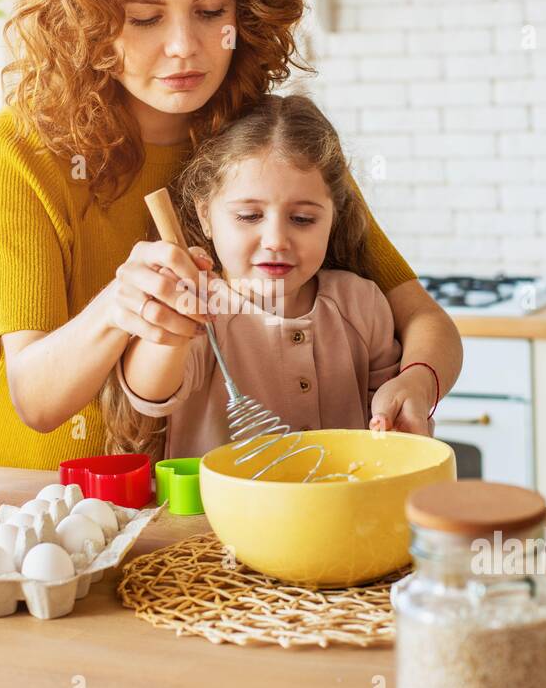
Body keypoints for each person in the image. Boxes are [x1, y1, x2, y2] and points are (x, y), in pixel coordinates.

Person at [0, 0, 462, 470]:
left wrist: (419, 379)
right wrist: (119, 306)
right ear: (90, 25)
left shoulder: (255, 141)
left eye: (210, 11)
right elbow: (36, 399)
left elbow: (421, 315)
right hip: (19, 487)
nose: (185, 45)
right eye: (145, 17)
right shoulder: (24, 147)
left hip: (171, 497)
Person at [109, 93, 413, 463]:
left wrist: (389, 416)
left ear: (333, 217)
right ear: (206, 216)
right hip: (220, 518)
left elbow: (387, 397)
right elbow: (149, 393)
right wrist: (175, 324)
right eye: (249, 217)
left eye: (302, 220)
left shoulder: (360, 303)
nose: (276, 241)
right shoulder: (200, 305)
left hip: (340, 513)